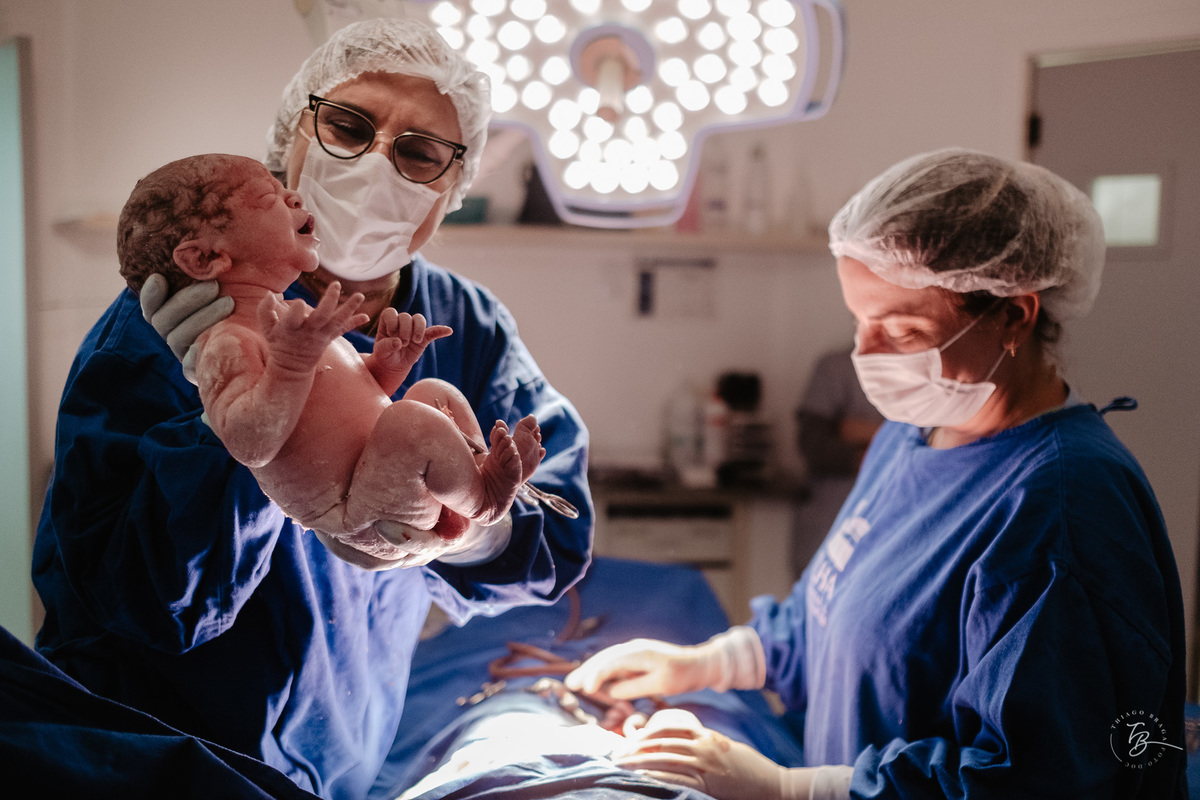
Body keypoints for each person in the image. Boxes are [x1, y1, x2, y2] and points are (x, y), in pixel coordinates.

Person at [33, 18, 592, 800]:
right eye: (349, 127)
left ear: (451, 187)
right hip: (156, 757)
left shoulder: (466, 326)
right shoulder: (180, 322)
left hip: (339, 763)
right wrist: (235, 427)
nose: (375, 165)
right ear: (294, 134)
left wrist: (458, 529)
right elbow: (136, 600)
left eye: (419, 151)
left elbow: (558, 537)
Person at [565, 148, 1187, 799]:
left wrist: (793, 790)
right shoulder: (912, 434)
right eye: (860, 321)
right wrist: (699, 664)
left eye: (905, 330)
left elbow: (1039, 776)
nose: (866, 352)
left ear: (1014, 316)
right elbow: (830, 612)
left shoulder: (1064, 508)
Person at [117, 153, 544, 558]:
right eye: (270, 198)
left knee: (433, 393)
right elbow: (250, 447)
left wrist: (390, 363)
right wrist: (290, 364)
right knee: (411, 422)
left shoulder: (296, 320)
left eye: (421, 153)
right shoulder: (226, 342)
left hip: (389, 480)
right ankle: (485, 500)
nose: (294, 197)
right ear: (206, 257)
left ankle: (477, 480)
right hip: (351, 509)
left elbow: (360, 398)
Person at [791, 347, 883, 576]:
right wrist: (888, 445)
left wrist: (864, 432)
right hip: (828, 526)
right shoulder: (837, 367)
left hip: (883, 536)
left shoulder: (929, 375)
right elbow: (814, 447)